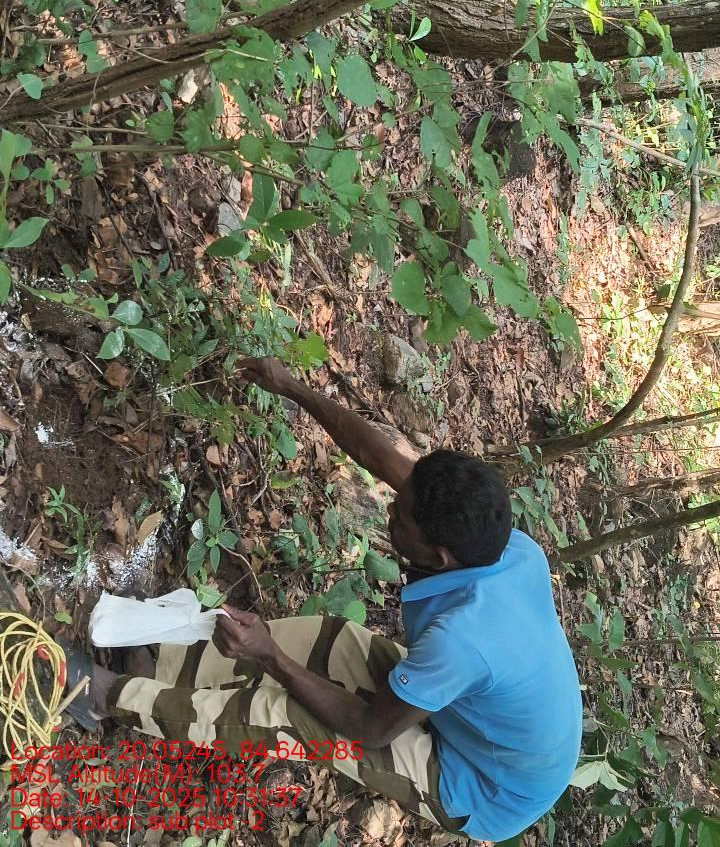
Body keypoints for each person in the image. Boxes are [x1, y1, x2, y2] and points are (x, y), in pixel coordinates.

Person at [69, 357, 583, 843]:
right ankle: (165, 665)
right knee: (334, 642)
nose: (390, 511)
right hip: (477, 713)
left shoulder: (462, 639)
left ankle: (105, 697)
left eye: (400, 518)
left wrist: (269, 656)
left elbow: (370, 730)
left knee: (289, 714)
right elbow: (379, 458)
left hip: (481, 784)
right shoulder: (501, 545)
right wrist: (291, 387)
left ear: (439, 556)